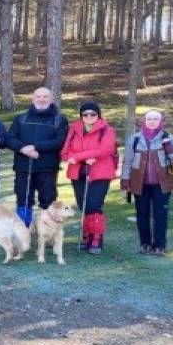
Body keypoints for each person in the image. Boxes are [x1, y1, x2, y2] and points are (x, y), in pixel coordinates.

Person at [120, 110, 173, 255]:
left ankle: (160, 246)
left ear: (162, 121)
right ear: (144, 120)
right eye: (149, 118)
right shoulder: (134, 139)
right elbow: (127, 161)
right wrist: (125, 180)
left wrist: (170, 148)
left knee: (160, 214)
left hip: (162, 184)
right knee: (142, 214)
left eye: (156, 118)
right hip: (139, 183)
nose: (152, 121)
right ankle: (145, 244)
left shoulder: (169, 138)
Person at [5, 87, 68, 227]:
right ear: (33, 99)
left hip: (47, 168)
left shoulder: (59, 120)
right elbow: (10, 139)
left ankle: (48, 232)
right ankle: (23, 232)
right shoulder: (21, 119)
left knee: (48, 200)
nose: (41, 99)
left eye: (45, 96)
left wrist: (35, 147)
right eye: (38, 96)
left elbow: (60, 141)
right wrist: (24, 149)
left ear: (51, 99)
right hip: (23, 167)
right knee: (23, 199)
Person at [61, 101, 118, 255]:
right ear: (81, 116)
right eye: (85, 114)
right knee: (83, 205)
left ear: (98, 115)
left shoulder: (107, 130)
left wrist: (79, 156)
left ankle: (97, 239)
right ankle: (87, 237)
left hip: (99, 172)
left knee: (94, 205)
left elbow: (105, 150)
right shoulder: (73, 129)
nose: (89, 116)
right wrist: (83, 159)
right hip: (78, 172)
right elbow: (65, 152)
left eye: (92, 114)